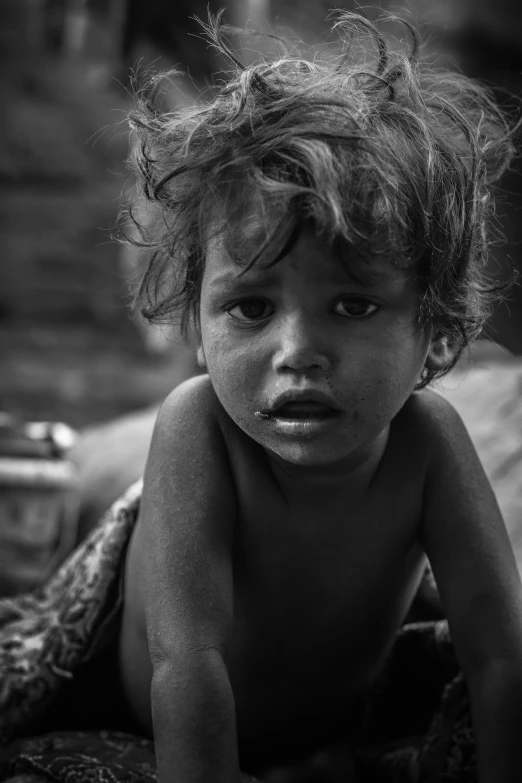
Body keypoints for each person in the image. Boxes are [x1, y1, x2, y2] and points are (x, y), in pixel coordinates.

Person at [118, 10, 522, 783]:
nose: (297, 351)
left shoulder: (429, 440)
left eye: (354, 306)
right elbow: (186, 660)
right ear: (198, 327)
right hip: (163, 724)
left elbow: (501, 655)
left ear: (436, 332)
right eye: (251, 307)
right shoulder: (195, 427)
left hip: (336, 729)